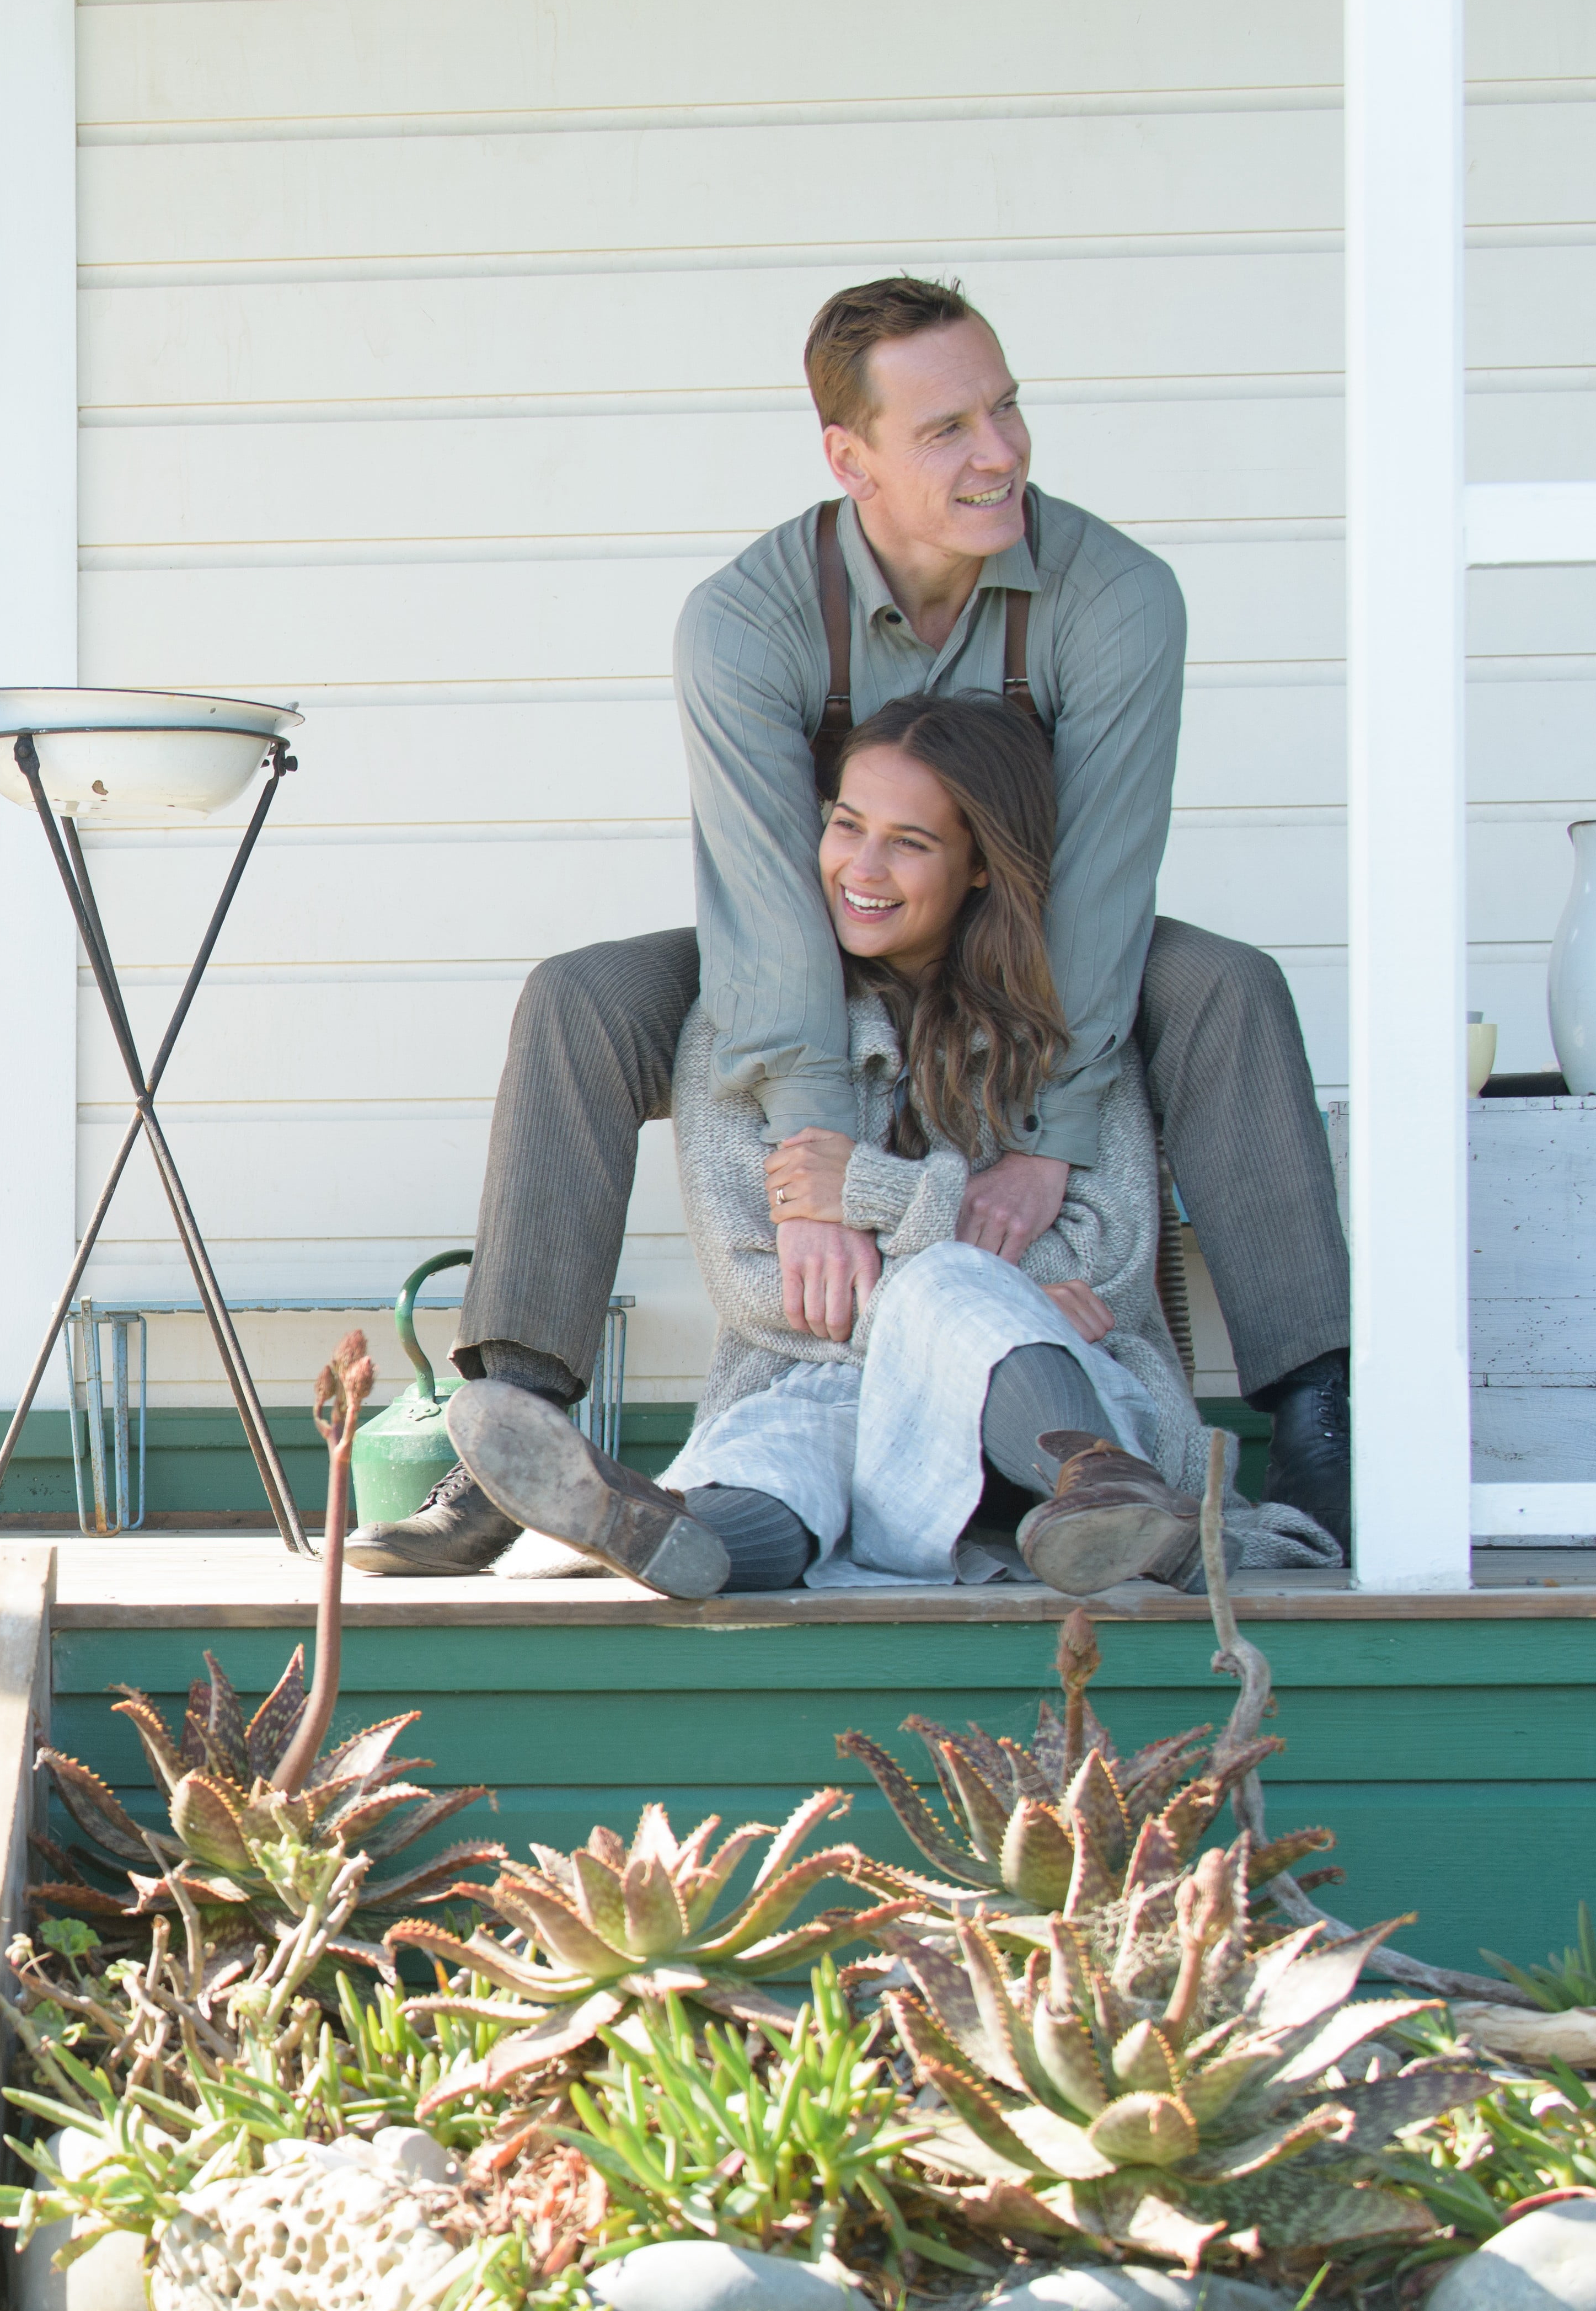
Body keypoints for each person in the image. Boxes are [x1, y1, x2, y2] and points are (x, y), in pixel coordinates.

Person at [354, 276, 1354, 1584]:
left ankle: (1321, 1417)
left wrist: (1050, 1141)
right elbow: (766, 898)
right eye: (945, 429)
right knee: (580, 997)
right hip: (813, 934)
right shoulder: (748, 621)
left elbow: (1102, 888)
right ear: (849, 457)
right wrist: (812, 1169)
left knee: (1224, 985)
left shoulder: (1116, 600)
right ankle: (508, 1435)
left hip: (1034, 943)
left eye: (1004, 409)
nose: (997, 452)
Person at [446, 692, 1335, 1597]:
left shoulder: (1069, 1023)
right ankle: (666, 1529)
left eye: (910, 842)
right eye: (847, 825)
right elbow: (760, 1284)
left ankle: (1104, 1486)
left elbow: (1106, 1259)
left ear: (981, 866)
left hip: (1063, 1395)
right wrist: (1003, 1288)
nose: (862, 867)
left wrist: (872, 1195)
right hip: (824, 1391)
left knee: (959, 1291)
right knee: (779, 1453)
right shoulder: (738, 1020)